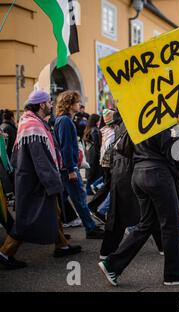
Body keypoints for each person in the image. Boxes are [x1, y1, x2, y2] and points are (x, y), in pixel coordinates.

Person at [98, 112, 179, 287]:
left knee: (146, 224)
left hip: (139, 174)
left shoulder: (137, 120)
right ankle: (175, 274)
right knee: (171, 225)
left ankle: (112, 264)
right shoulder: (160, 121)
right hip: (157, 175)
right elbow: (174, 154)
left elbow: (124, 148)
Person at [0, 91, 81, 270]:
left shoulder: (32, 122)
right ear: (42, 104)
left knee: (55, 212)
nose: (52, 105)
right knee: (27, 219)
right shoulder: (33, 126)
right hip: (35, 182)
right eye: (49, 102)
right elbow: (40, 159)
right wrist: (52, 182)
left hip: (32, 180)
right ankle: (5, 253)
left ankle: (62, 245)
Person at [99, 115, 155, 259]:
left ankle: (107, 250)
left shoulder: (123, 122)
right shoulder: (133, 120)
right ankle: (108, 251)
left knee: (127, 212)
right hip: (128, 169)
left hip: (123, 170)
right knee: (135, 212)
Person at [54, 91, 104, 239]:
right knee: (80, 199)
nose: (79, 105)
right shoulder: (65, 121)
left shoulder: (62, 120)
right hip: (68, 168)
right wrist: (71, 169)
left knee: (62, 200)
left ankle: (59, 234)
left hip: (65, 167)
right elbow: (66, 147)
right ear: (69, 104)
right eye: (77, 102)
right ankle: (90, 228)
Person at [83, 114, 102, 195]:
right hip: (95, 155)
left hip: (89, 155)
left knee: (90, 174)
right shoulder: (95, 130)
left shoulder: (87, 130)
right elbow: (97, 145)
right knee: (96, 173)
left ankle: (89, 190)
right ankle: (92, 189)